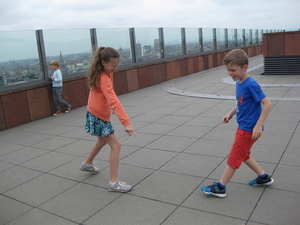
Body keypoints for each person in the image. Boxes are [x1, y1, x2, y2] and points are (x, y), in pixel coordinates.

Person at [201, 49, 274, 198]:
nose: (230, 73)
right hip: (243, 127)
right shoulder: (239, 82)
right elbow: (241, 103)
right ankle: (263, 177)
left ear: (245, 67)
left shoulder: (250, 84)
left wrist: (258, 125)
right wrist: (230, 113)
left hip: (248, 130)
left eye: (233, 70)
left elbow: (267, 104)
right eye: (228, 70)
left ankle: (220, 187)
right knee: (244, 155)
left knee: (234, 157)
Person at [80, 47, 136, 193]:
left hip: (95, 113)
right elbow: (113, 100)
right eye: (113, 66)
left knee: (102, 141)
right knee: (116, 145)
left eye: (117, 65)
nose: (115, 68)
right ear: (103, 62)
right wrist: (126, 123)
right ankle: (114, 183)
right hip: (98, 117)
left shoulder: (102, 72)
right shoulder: (104, 78)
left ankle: (87, 164)